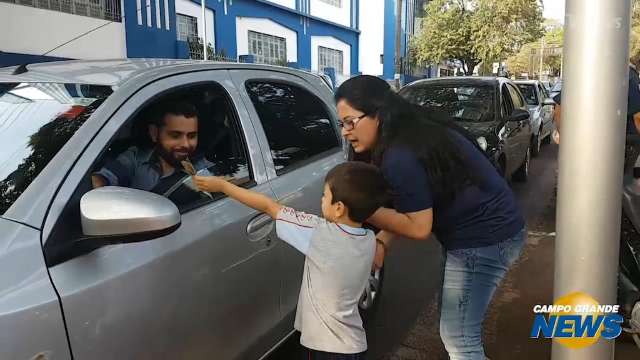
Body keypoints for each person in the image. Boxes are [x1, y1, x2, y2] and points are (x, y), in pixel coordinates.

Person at [335, 75, 526, 360]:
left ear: (378, 113)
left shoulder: (400, 155)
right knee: (456, 328)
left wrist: (360, 207)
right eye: (342, 124)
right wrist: (383, 242)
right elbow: (412, 201)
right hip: (491, 232)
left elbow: (419, 226)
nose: (346, 131)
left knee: (460, 338)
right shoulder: (414, 131)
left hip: (484, 240)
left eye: (351, 121)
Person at [193, 162, 389, 360]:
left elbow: (269, 206)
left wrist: (223, 186)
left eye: (325, 196)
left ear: (338, 208)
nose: (321, 200)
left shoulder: (319, 233)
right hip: (354, 344)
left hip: (326, 348)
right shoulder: (369, 239)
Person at [92, 101, 212, 196]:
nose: (185, 144)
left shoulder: (203, 170)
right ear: (154, 133)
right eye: (175, 135)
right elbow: (101, 179)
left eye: (191, 136)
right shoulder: (137, 157)